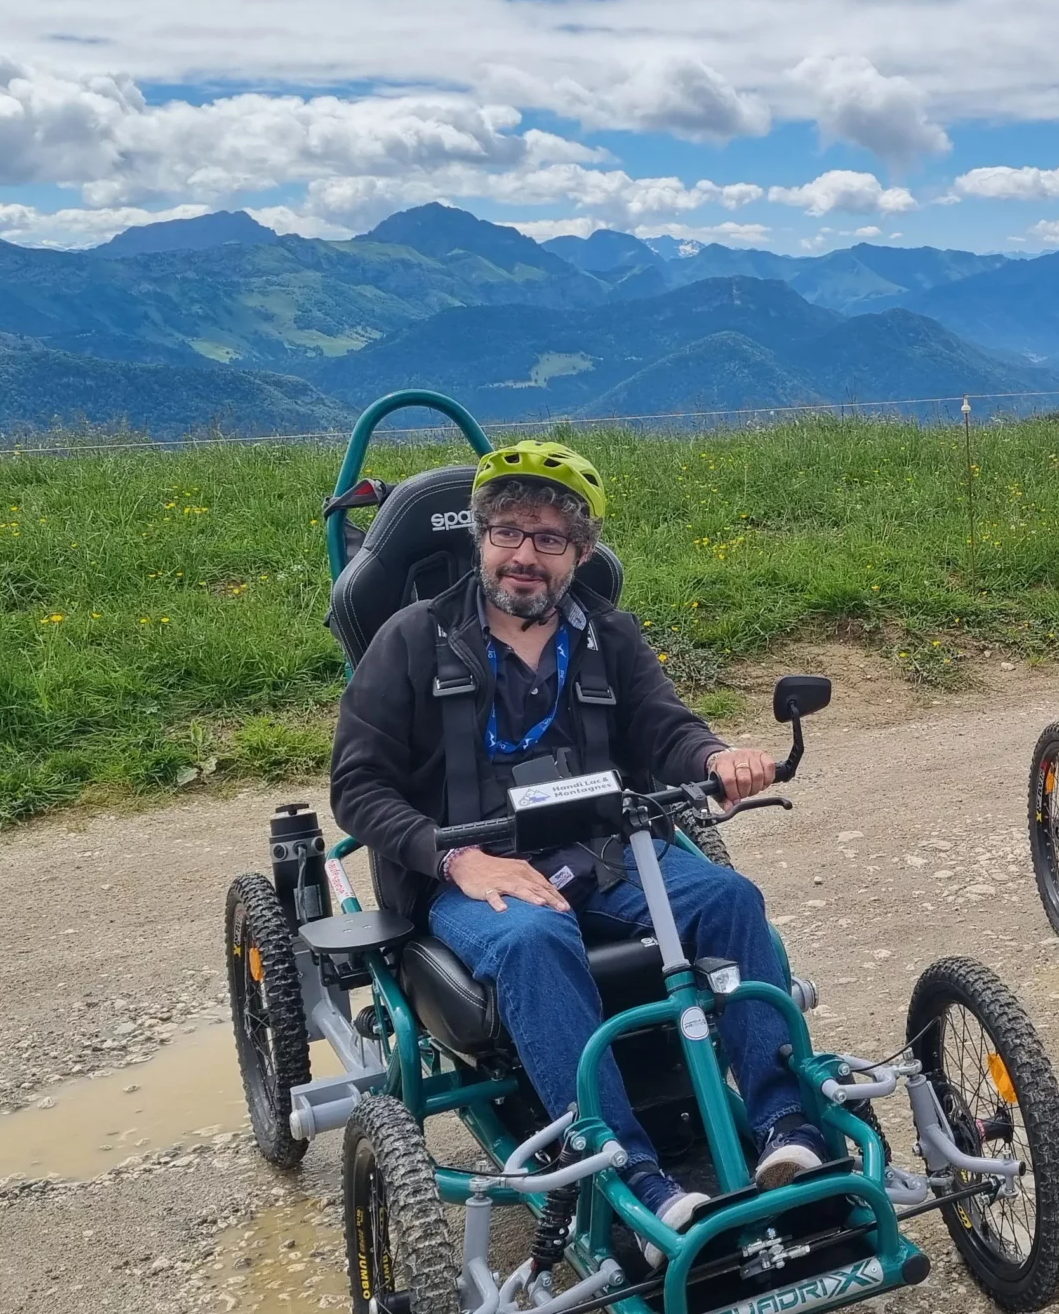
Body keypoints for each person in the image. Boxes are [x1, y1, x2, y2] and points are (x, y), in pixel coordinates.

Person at [330, 439, 828, 1244]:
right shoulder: (410, 641)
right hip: (470, 871)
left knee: (730, 900)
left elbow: (664, 729)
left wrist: (715, 758)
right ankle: (625, 1166)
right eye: (507, 534)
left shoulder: (610, 636)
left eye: (549, 539)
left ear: (581, 553)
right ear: (481, 541)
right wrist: (456, 856)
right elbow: (357, 790)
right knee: (534, 939)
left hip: (602, 851)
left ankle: (786, 1131)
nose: (524, 556)